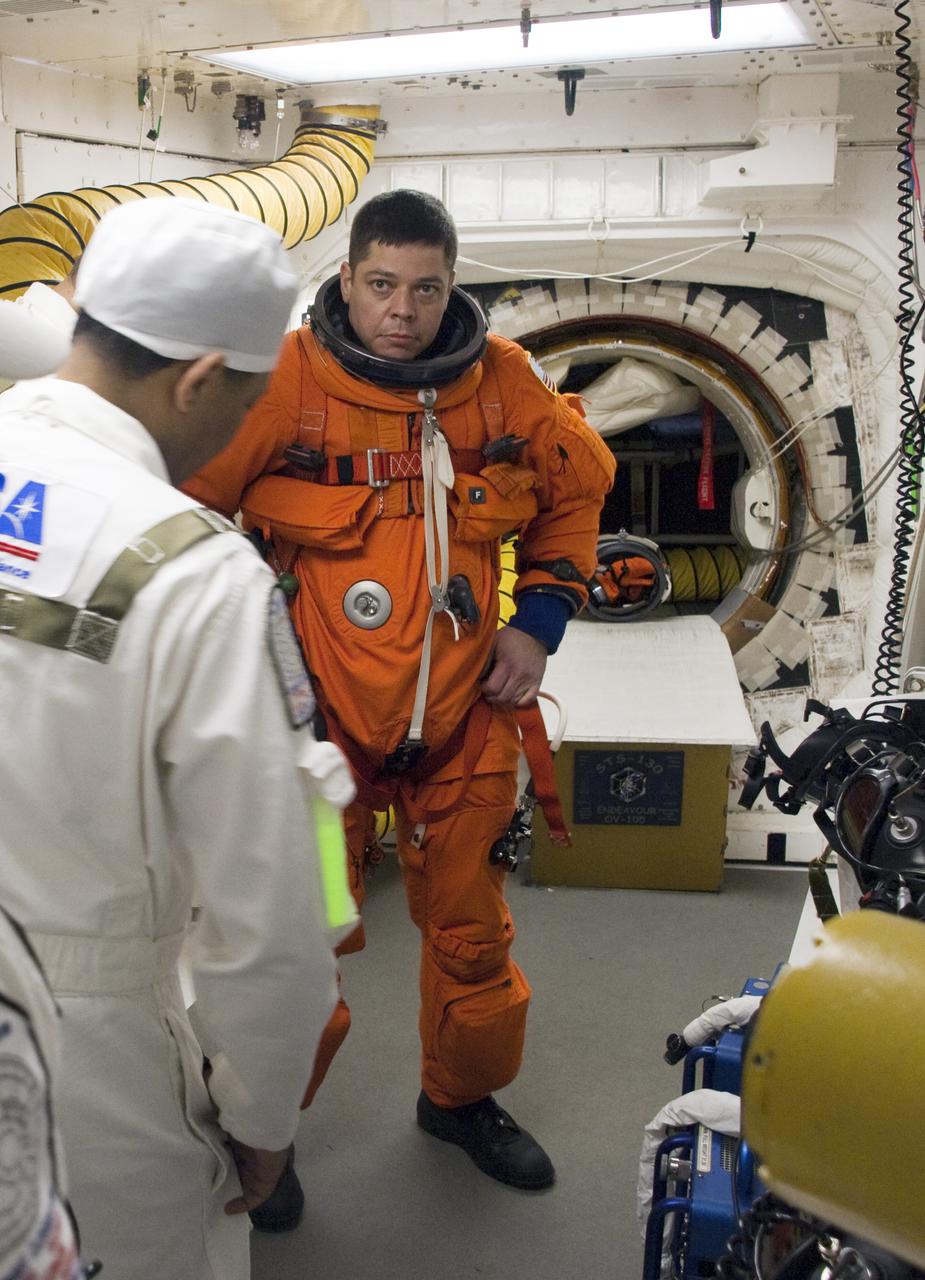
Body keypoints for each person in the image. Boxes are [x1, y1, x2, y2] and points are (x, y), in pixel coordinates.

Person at [185, 188, 616, 1223]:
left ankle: (458, 1099)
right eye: (381, 284)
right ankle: (262, 1131)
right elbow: (188, 506)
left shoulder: (502, 384)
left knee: (472, 939)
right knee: (298, 945)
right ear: (346, 279)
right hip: (319, 735)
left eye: (426, 289)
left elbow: (572, 495)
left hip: (463, 723)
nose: (403, 310)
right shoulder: (287, 383)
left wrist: (537, 622)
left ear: (450, 286)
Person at [0, 197, 354, 1280]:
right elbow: (271, 905)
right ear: (201, 377)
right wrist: (261, 1116)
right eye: (247, 399)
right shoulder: (192, 570)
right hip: (87, 1045)